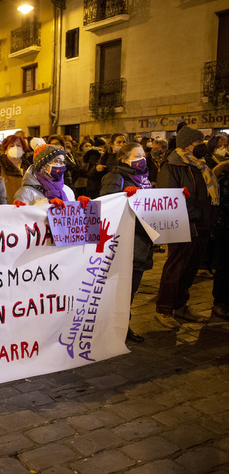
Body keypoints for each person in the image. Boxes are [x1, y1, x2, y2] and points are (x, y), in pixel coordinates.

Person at [155, 126, 219, 325]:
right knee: (176, 269)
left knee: (190, 269)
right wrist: (195, 213)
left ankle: (181, 306)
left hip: (202, 225)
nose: (202, 145)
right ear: (187, 144)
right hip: (183, 225)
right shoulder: (172, 166)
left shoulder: (200, 164)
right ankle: (163, 310)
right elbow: (168, 197)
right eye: (198, 142)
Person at [99, 142, 153, 343]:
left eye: (143, 154)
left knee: (133, 286)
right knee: (122, 286)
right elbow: (106, 202)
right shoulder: (116, 176)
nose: (141, 158)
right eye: (136, 155)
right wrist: (123, 195)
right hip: (126, 238)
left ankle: (123, 324)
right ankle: (114, 326)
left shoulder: (145, 179)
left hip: (142, 237)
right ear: (124, 159)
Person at [13, 145, 79, 205]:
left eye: (63, 162)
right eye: (57, 161)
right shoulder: (26, 193)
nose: (61, 165)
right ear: (44, 165)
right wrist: (46, 205)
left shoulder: (67, 190)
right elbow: (22, 216)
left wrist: (82, 206)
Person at [212, 159, 229, 320]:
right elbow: (224, 204)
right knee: (225, 266)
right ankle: (220, 302)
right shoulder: (225, 178)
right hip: (226, 228)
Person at [0, 135, 30, 202]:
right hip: (7, 207)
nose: (16, 148)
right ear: (6, 150)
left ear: (23, 149)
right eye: (11, 146)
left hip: (25, 206)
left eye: (19, 145)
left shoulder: (28, 167)